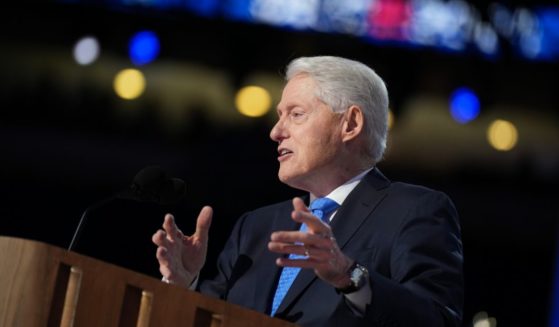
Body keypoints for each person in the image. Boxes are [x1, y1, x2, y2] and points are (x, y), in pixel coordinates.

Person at [152, 56, 463, 326]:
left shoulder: (413, 210)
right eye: (279, 116)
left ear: (350, 124)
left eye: (296, 114)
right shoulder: (256, 228)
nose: (276, 132)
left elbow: (435, 320)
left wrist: (349, 275)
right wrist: (184, 285)